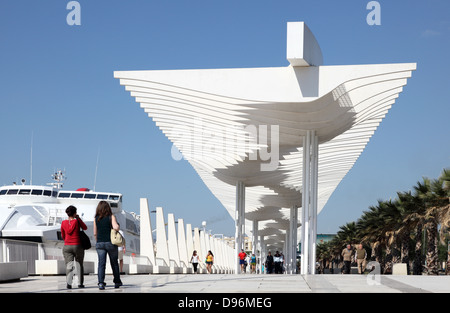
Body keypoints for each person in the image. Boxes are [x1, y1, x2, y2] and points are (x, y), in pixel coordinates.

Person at [93, 200, 123, 290]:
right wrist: (118, 225)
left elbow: (95, 233)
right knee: (114, 263)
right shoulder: (111, 217)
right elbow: (116, 227)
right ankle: (117, 282)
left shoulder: (96, 218)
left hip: (100, 243)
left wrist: (98, 241)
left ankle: (101, 283)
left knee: (101, 264)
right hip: (110, 243)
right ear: (108, 208)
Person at [61, 205, 87, 289]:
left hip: (67, 246)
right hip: (77, 245)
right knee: (79, 264)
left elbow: (63, 235)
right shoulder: (76, 221)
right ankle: (80, 283)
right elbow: (85, 227)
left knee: (69, 265)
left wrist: (67, 241)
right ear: (75, 213)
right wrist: (78, 218)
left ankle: (69, 283)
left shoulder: (63, 222)